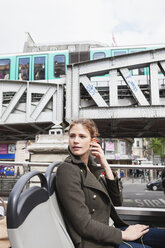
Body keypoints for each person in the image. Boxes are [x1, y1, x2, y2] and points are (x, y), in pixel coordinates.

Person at [56, 119, 165, 248]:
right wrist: (124, 235)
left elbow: (117, 200)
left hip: (113, 229)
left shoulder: (91, 167)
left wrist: (105, 164)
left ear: (93, 141)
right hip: (96, 242)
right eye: (72, 136)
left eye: (82, 136)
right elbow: (83, 225)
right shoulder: (67, 169)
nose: (75, 141)